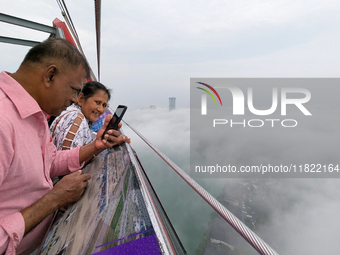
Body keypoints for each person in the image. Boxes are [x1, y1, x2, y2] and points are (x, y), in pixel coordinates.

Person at [0, 38, 130, 255]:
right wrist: (53, 200)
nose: (74, 99)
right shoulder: (4, 121)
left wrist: (96, 146)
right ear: (50, 75)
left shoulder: (36, 114)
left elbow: (49, 162)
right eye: (73, 90)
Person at [50, 81, 112, 151]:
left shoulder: (70, 113)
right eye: (97, 102)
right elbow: (68, 159)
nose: (100, 109)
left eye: (104, 105)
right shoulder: (78, 120)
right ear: (81, 99)